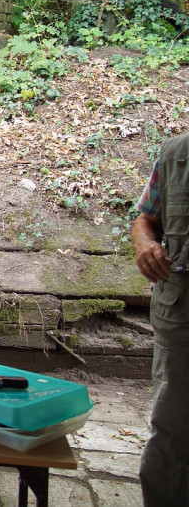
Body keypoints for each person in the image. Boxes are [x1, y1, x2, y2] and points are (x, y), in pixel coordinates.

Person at [132, 133, 189, 507]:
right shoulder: (175, 155)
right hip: (181, 315)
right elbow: (146, 219)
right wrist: (143, 242)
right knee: (170, 431)